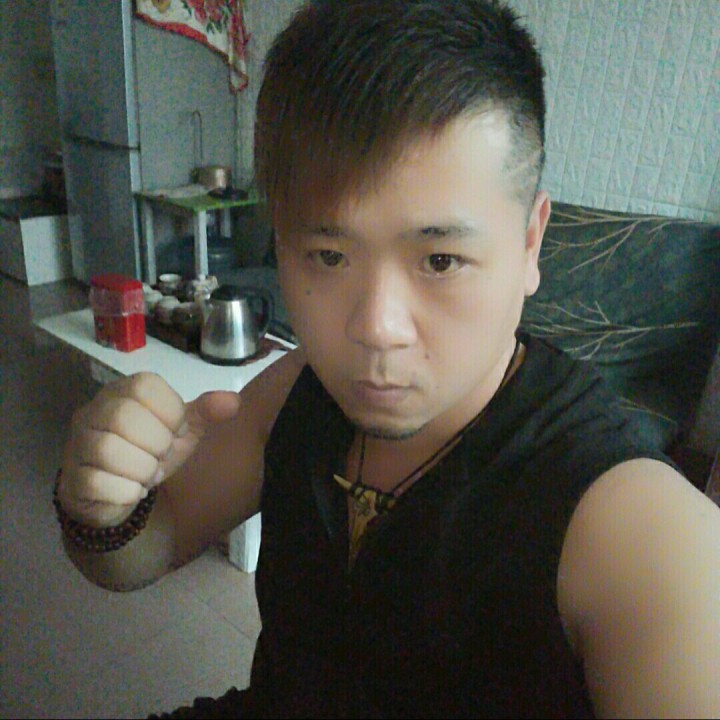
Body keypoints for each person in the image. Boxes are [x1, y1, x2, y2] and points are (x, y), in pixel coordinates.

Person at [55, 1, 720, 717]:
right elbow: (140, 554)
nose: (377, 329)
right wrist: (101, 505)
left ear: (531, 243)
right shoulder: (293, 393)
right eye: (328, 255)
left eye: (440, 260)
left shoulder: (637, 531)